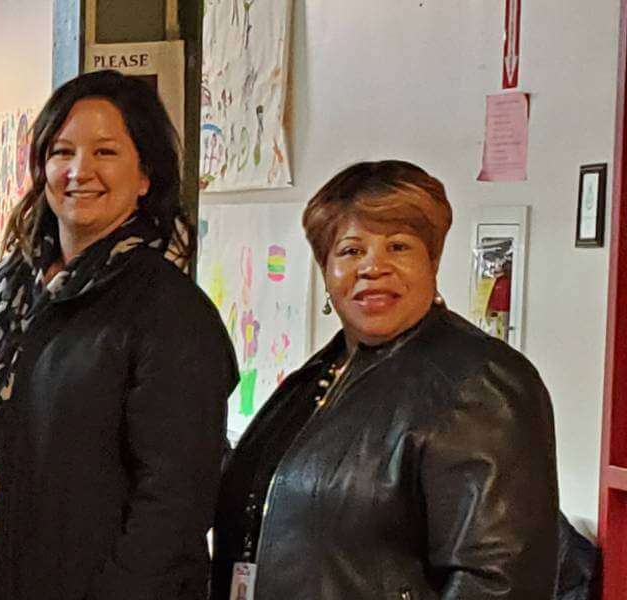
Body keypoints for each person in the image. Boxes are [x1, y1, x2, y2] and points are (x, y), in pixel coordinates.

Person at [0, 70, 237, 600]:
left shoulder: (170, 314)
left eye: (106, 152)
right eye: (62, 151)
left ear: (144, 175)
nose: (79, 170)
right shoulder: (2, 288)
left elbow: (172, 509)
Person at [212, 160, 558, 598]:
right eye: (351, 251)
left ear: (432, 261)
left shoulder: (479, 381)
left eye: (398, 247)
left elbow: (499, 581)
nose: (373, 267)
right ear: (326, 271)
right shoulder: (320, 376)